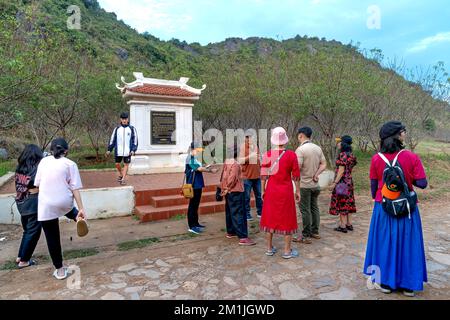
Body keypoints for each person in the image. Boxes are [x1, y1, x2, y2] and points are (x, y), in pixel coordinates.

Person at [364, 121, 428, 297]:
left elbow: (373, 185)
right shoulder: (411, 157)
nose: (405, 134)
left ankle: (385, 282)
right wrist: (406, 180)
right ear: (398, 135)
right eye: (403, 131)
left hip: (383, 206)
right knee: (408, 244)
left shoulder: (376, 158)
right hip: (406, 208)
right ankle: (408, 286)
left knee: (384, 244)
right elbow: (422, 183)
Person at [35, 138, 88, 280]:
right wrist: (82, 208)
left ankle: (59, 270)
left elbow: (37, 184)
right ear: (66, 151)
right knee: (68, 207)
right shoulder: (70, 164)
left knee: (52, 237)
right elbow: (75, 188)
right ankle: (78, 216)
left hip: (46, 204)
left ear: (51, 149)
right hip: (64, 201)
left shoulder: (44, 161)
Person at [260, 127, 301, 259]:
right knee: (287, 218)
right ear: (285, 140)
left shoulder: (267, 155)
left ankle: (268, 248)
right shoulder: (291, 155)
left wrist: (263, 190)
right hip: (286, 191)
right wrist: (298, 190)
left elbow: (263, 176)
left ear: (273, 140)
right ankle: (287, 251)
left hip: (271, 190)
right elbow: (296, 176)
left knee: (269, 217)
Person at [294, 127, 327, 244]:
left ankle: (306, 233)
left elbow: (297, 169)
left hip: (304, 185)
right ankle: (315, 231)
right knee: (314, 208)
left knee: (305, 210)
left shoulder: (300, 150)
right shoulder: (317, 148)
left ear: (301, 135)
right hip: (315, 184)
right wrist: (316, 174)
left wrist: (296, 187)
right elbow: (324, 164)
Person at [14, 144, 43, 269]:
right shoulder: (36, 170)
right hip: (32, 205)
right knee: (33, 232)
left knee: (27, 231)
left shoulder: (19, 169)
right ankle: (24, 261)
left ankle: (21, 256)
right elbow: (40, 185)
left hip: (21, 203)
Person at [221, 145, 256, 246]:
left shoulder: (227, 161)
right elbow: (232, 178)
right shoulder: (235, 164)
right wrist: (228, 187)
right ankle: (243, 237)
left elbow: (224, 176)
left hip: (228, 191)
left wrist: (225, 189)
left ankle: (231, 232)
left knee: (230, 211)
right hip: (235, 190)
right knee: (238, 213)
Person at [185, 141, 218, 235]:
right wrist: (210, 170)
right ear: (193, 149)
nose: (199, 152)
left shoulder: (194, 158)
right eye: (198, 150)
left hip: (198, 184)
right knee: (192, 206)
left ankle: (196, 223)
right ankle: (191, 226)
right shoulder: (189, 158)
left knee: (196, 205)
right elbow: (198, 169)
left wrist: (208, 166)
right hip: (193, 185)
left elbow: (199, 167)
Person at [329, 135, 358, 232]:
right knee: (349, 202)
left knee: (342, 203)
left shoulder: (342, 155)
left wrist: (334, 182)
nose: (338, 143)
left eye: (339, 142)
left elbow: (341, 171)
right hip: (349, 181)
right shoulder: (351, 155)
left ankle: (342, 225)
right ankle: (349, 224)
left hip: (342, 182)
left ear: (343, 143)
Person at [106, 112, 138, 185]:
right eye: (123, 119)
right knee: (117, 164)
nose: (124, 120)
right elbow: (112, 139)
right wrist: (109, 149)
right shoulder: (117, 129)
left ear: (128, 119)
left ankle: (123, 179)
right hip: (118, 151)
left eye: (125, 119)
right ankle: (120, 174)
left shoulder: (132, 129)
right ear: (120, 119)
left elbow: (135, 140)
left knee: (126, 164)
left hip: (128, 151)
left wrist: (133, 150)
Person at [239, 131, 263, 221]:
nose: (249, 139)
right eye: (247, 137)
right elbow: (240, 161)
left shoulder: (256, 146)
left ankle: (260, 212)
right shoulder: (242, 147)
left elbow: (258, 158)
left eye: (250, 137)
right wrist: (250, 156)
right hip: (247, 177)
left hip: (257, 175)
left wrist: (260, 159)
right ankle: (247, 214)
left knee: (259, 195)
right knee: (246, 196)